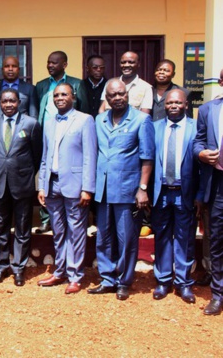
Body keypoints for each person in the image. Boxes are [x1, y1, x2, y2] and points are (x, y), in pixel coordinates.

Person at [88, 78, 154, 300]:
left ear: (127, 95)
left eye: (121, 94)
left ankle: (124, 281)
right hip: (104, 190)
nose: (117, 98)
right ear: (106, 99)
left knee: (126, 238)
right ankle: (107, 278)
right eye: (113, 95)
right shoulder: (99, 120)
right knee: (104, 237)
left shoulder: (141, 120)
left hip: (127, 190)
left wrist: (142, 188)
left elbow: (147, 158)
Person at [37, 84, 97, 294]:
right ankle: (60, 270)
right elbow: (45, 156)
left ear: (73, 97)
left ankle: (75, 275)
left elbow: (90, 156)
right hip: (52, 185)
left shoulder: (85, 120)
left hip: (75, 185)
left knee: (76, 232)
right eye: (56, 95)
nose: (60, 98)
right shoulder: (49, 121)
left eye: (64, 94)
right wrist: (41, 185)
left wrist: (87, 188)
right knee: (59, 231)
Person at [0, 88, 41, 287]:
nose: (8, 105)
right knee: (0, 228)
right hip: (0, 184)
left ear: (19, 102)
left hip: (22, 184)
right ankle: (1, 267)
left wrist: (24, 173)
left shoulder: (31, 124)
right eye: (5, 101)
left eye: (12, 101)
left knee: (22, 228)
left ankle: (19, 269)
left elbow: (37, 155)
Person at [151, 89, 201, 304]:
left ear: (186, 105)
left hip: (185, 193)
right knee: (161, 237)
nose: (173, 106)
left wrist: (199, 196)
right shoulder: (153, 128)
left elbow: (201, 167)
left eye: (178, 103)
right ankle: (163, 280)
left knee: (184, 238)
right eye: (169, 102)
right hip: (161, 192)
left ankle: (183, 282)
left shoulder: (196, 127)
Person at [35, 51, 88, 233]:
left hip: (70, 135)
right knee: (47, 178)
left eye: (55, 63)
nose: (50, 65)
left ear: (64, 64)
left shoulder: (77, 83)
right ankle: (45, 218)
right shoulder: (41, 85)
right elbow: (37, 111)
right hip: (47, 134)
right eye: (48, 62)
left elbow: (84, 108)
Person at [194, 70, 223, 315]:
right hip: (218, 183)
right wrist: (201, 153)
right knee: (217, 238)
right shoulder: (207, 110)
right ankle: (218, 293)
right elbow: (198, 142)